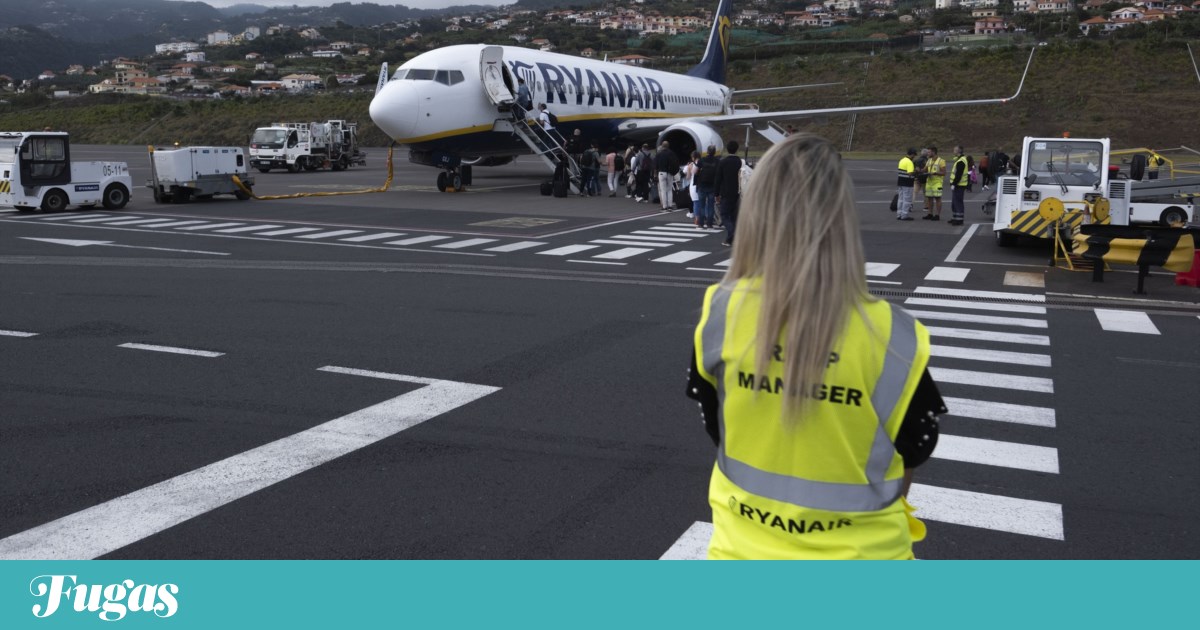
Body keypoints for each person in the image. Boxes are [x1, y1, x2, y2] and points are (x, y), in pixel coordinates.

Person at [686, 133, 945, 560]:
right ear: (841, 215)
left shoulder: (721, 311)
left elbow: (718, 426)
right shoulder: (894, 334)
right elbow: (914, 450)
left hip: (740, 553)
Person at [714, 140, 742, 246]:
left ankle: (732, 232)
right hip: (738, 192)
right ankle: (731, 239)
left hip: (726, 192)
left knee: (724, 214)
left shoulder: (723, 162)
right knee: (734, 215)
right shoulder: (740, 162)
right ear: (737, 149)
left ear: (727, 149)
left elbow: (718, 179)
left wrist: (716, 194)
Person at [695, 145, 719, 230]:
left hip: (702, 185)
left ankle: (701, 224)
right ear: (714, 152)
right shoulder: (717, 161)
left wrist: (696, 182)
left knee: (702, 205)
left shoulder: (701, 160)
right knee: (710, 206)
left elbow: (696, 172)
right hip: (712, 185)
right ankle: (709, 224)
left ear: (707, 151)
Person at [655, 140, 680, 212]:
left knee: (663, 190)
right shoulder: (672, 153)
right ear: (668, 146)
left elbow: (655, 164)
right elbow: (676, 163)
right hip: (670, 173)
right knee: (669, 190)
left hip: (661, 173)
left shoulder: (659, 154)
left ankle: (664, 207)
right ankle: (670, 206)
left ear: (662, 146)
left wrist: (655, 173)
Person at [922, 146, 945, 221]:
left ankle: (937, 215)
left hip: (937, 183)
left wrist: (935, 173)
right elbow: (925, 169)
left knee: (938, 198)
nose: (927, 153)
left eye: (929, 152)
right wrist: (919, 170)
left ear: (933, 152)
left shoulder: (941, 161)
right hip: (929, 182)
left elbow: (944, 173)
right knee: (929, 198)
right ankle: (930, 214)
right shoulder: (929, 160)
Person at [948, 145, 969, 226]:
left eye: (955, 150)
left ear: (959, 151)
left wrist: (954, 183)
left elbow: (958, 174)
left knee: (958, 202)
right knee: (954, 202)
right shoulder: (959, 160)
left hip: (959, 185)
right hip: (958, 185)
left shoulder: (961, 161)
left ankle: (959, 220)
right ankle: (955, 217)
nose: (953, 151)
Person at [896, 148, 917, 221]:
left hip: (900, 182)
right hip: (907, 183)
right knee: (907, 200)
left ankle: (899, 214)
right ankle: (904, 215)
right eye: (914, 155)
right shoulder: (909, 162)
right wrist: (916, 171)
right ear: (912, 154)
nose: (914, 157)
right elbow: (910, 173)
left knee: (900, 199)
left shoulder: (902, 160)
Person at [684, 151, 701, 223]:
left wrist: (688, 168)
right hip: (702, 185)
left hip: (694, 185)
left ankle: (697, 219)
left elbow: (688, 177)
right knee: (703, 202)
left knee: (696, 203)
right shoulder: (703, 163)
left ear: (693, 157)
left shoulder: (691, 165)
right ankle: (706, 218)